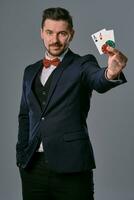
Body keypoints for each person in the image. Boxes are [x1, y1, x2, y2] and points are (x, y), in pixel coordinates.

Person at [16, 7, 127, 200]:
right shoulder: (29, 71)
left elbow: (98, 79)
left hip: (72, 166)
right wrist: (21, 155)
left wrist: (110, 73)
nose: (55, 40)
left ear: (71, 35)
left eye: (62, 33)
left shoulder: (83, 64)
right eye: (49, 32)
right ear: (41, 32)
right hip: (33, 167)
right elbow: (25, 115)